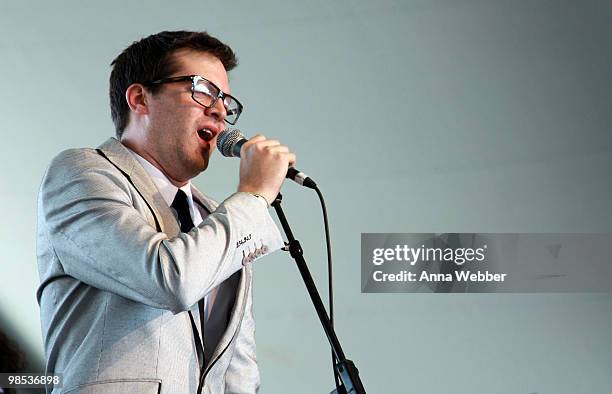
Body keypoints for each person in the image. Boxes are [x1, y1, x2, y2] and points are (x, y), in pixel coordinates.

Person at [36, 30, 295, 394]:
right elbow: (169, 279)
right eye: (203, 90)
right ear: (140, 98)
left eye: (225, 100)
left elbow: (238, 365)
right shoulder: (81, 172)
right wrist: (253, 194)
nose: (220, 110)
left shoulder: (216, 218)